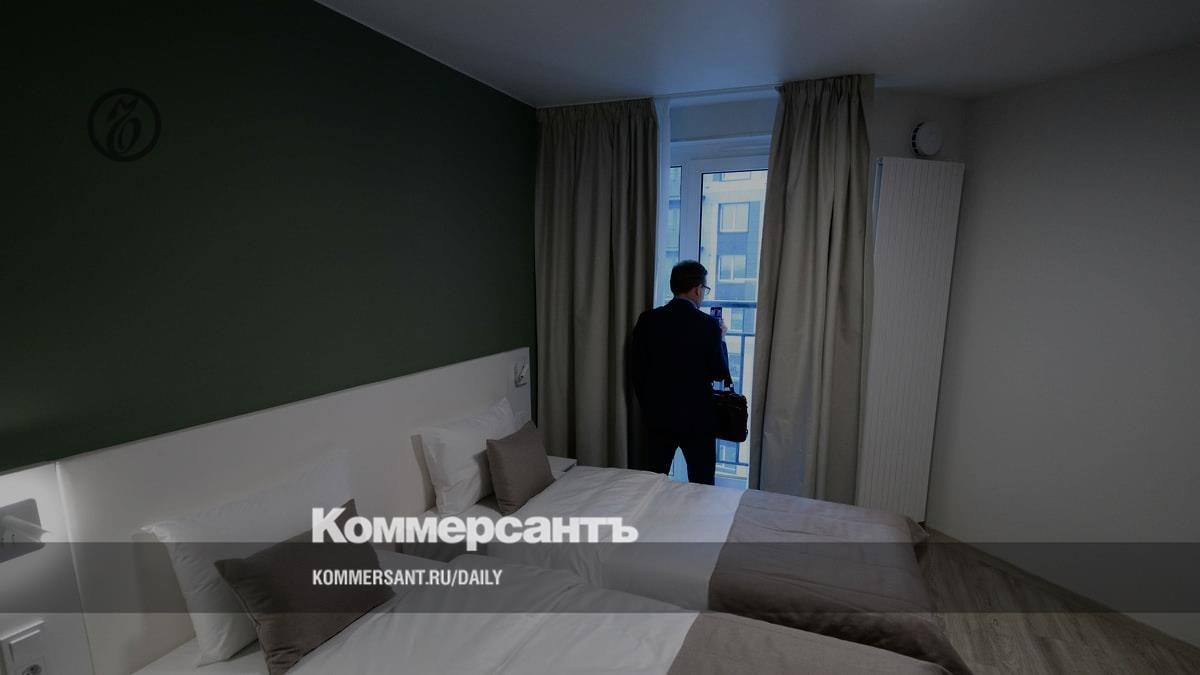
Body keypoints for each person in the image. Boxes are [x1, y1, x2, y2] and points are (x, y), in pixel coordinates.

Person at [630, 260, 731, 485]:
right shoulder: (708, 325)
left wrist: (649, 405)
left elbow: (637, 370)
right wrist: (722, 338)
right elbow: (719, 371)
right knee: (702, 483)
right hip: (698, 417)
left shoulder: (648, 320)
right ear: (697, 289)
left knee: (653, 480)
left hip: (658, 415)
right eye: (704, 289)